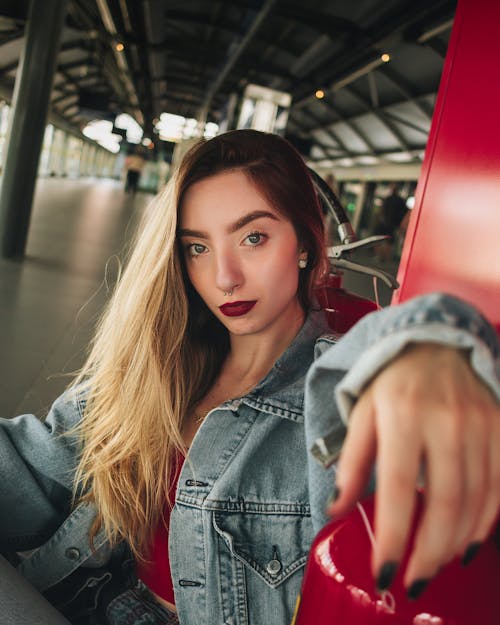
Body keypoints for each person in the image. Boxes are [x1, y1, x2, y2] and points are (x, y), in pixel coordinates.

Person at [0, 130, 499, 625]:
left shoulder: (334, 394)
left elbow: (395, 379)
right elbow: (29, 466)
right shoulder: (158, 368)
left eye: (253, 237)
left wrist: (441, 347)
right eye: (197, 247)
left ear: (306, 241)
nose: (224, 277)